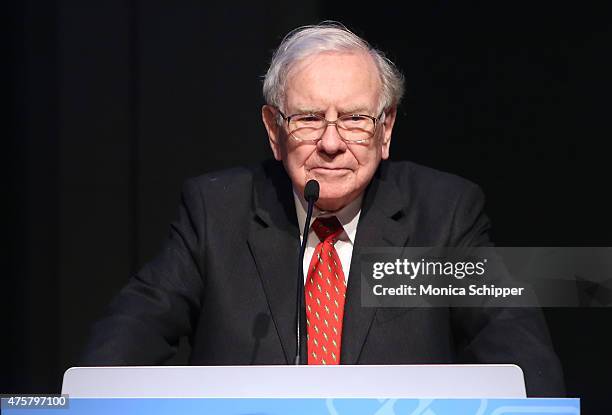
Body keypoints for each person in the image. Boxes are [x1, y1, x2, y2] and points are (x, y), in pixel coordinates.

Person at [81, 22, 564, 396]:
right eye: (309, 118)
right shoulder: (216, 212)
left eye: (355, 118)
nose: (331, 143)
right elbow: (119, 350)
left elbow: (525, 366)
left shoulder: (444, 215)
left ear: (386, 128)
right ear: (274, 130)